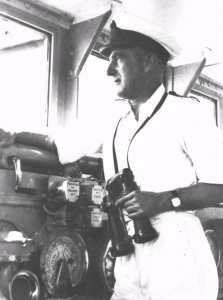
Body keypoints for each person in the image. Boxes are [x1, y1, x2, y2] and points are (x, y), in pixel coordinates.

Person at [0, 17, 223, 300]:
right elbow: (61, 142)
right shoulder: (112, 117)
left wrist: (165, 199)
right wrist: (12, 135)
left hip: (177, 249)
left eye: (118, 58)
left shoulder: (188, 114)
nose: (108, 70)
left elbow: (220, 185)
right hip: (127, 248)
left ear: (149, 61)